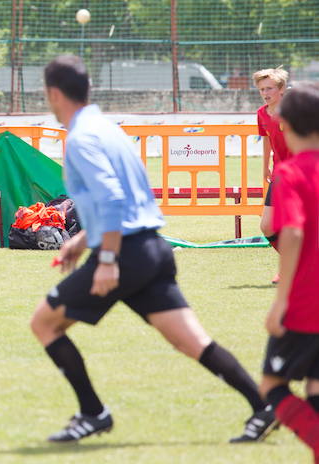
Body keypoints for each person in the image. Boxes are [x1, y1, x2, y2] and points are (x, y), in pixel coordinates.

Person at [28, 55, 275, 443]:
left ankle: (94, 413)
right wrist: (81, 238)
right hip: (152, 249)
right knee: (190, 341)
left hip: (124, 253)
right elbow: (124, 195)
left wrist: (106, 258)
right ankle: (263, 407)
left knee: (43, 323)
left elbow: (111, 199)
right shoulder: (109, 129)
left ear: (54, 94)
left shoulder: (80, 137)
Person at [257, 82, 319, 460]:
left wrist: (280, 301)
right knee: (315, 388)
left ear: (287, 126)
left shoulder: (291, 173)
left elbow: (292, 231)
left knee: (272, 386)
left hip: (306, 302)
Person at [253, 68, 292, 283]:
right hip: (279, 174)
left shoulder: (295, 110)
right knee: (267, 226)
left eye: (269, 88)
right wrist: (265, 164)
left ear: (282, 89)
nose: (265, 93)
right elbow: (266, 138)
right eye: (261, 89)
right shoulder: (261, 113)